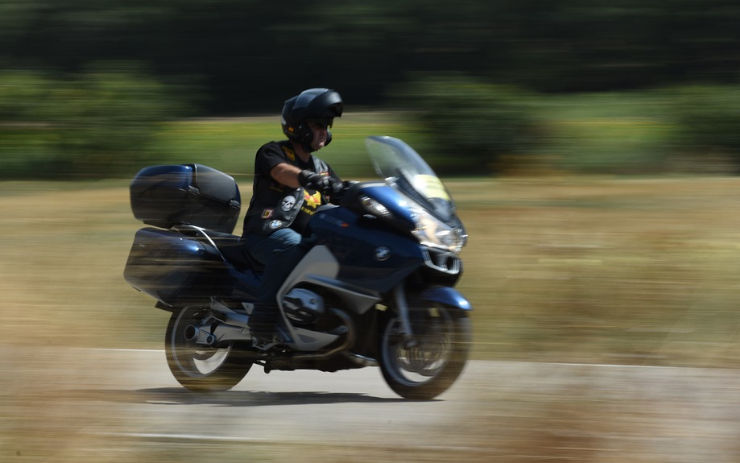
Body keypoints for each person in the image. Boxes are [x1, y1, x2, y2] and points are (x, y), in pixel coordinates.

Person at [241, 88, 344, 343]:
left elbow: (342, 196)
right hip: (266, 235)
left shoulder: (323, 169)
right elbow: (281, 172)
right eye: (319, 124)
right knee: (293, 247)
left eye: (327, 125)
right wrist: (306, 178)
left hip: (307, 239)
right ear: (299, 127)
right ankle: (263, 318)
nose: (325, 131)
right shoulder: (272, 152)